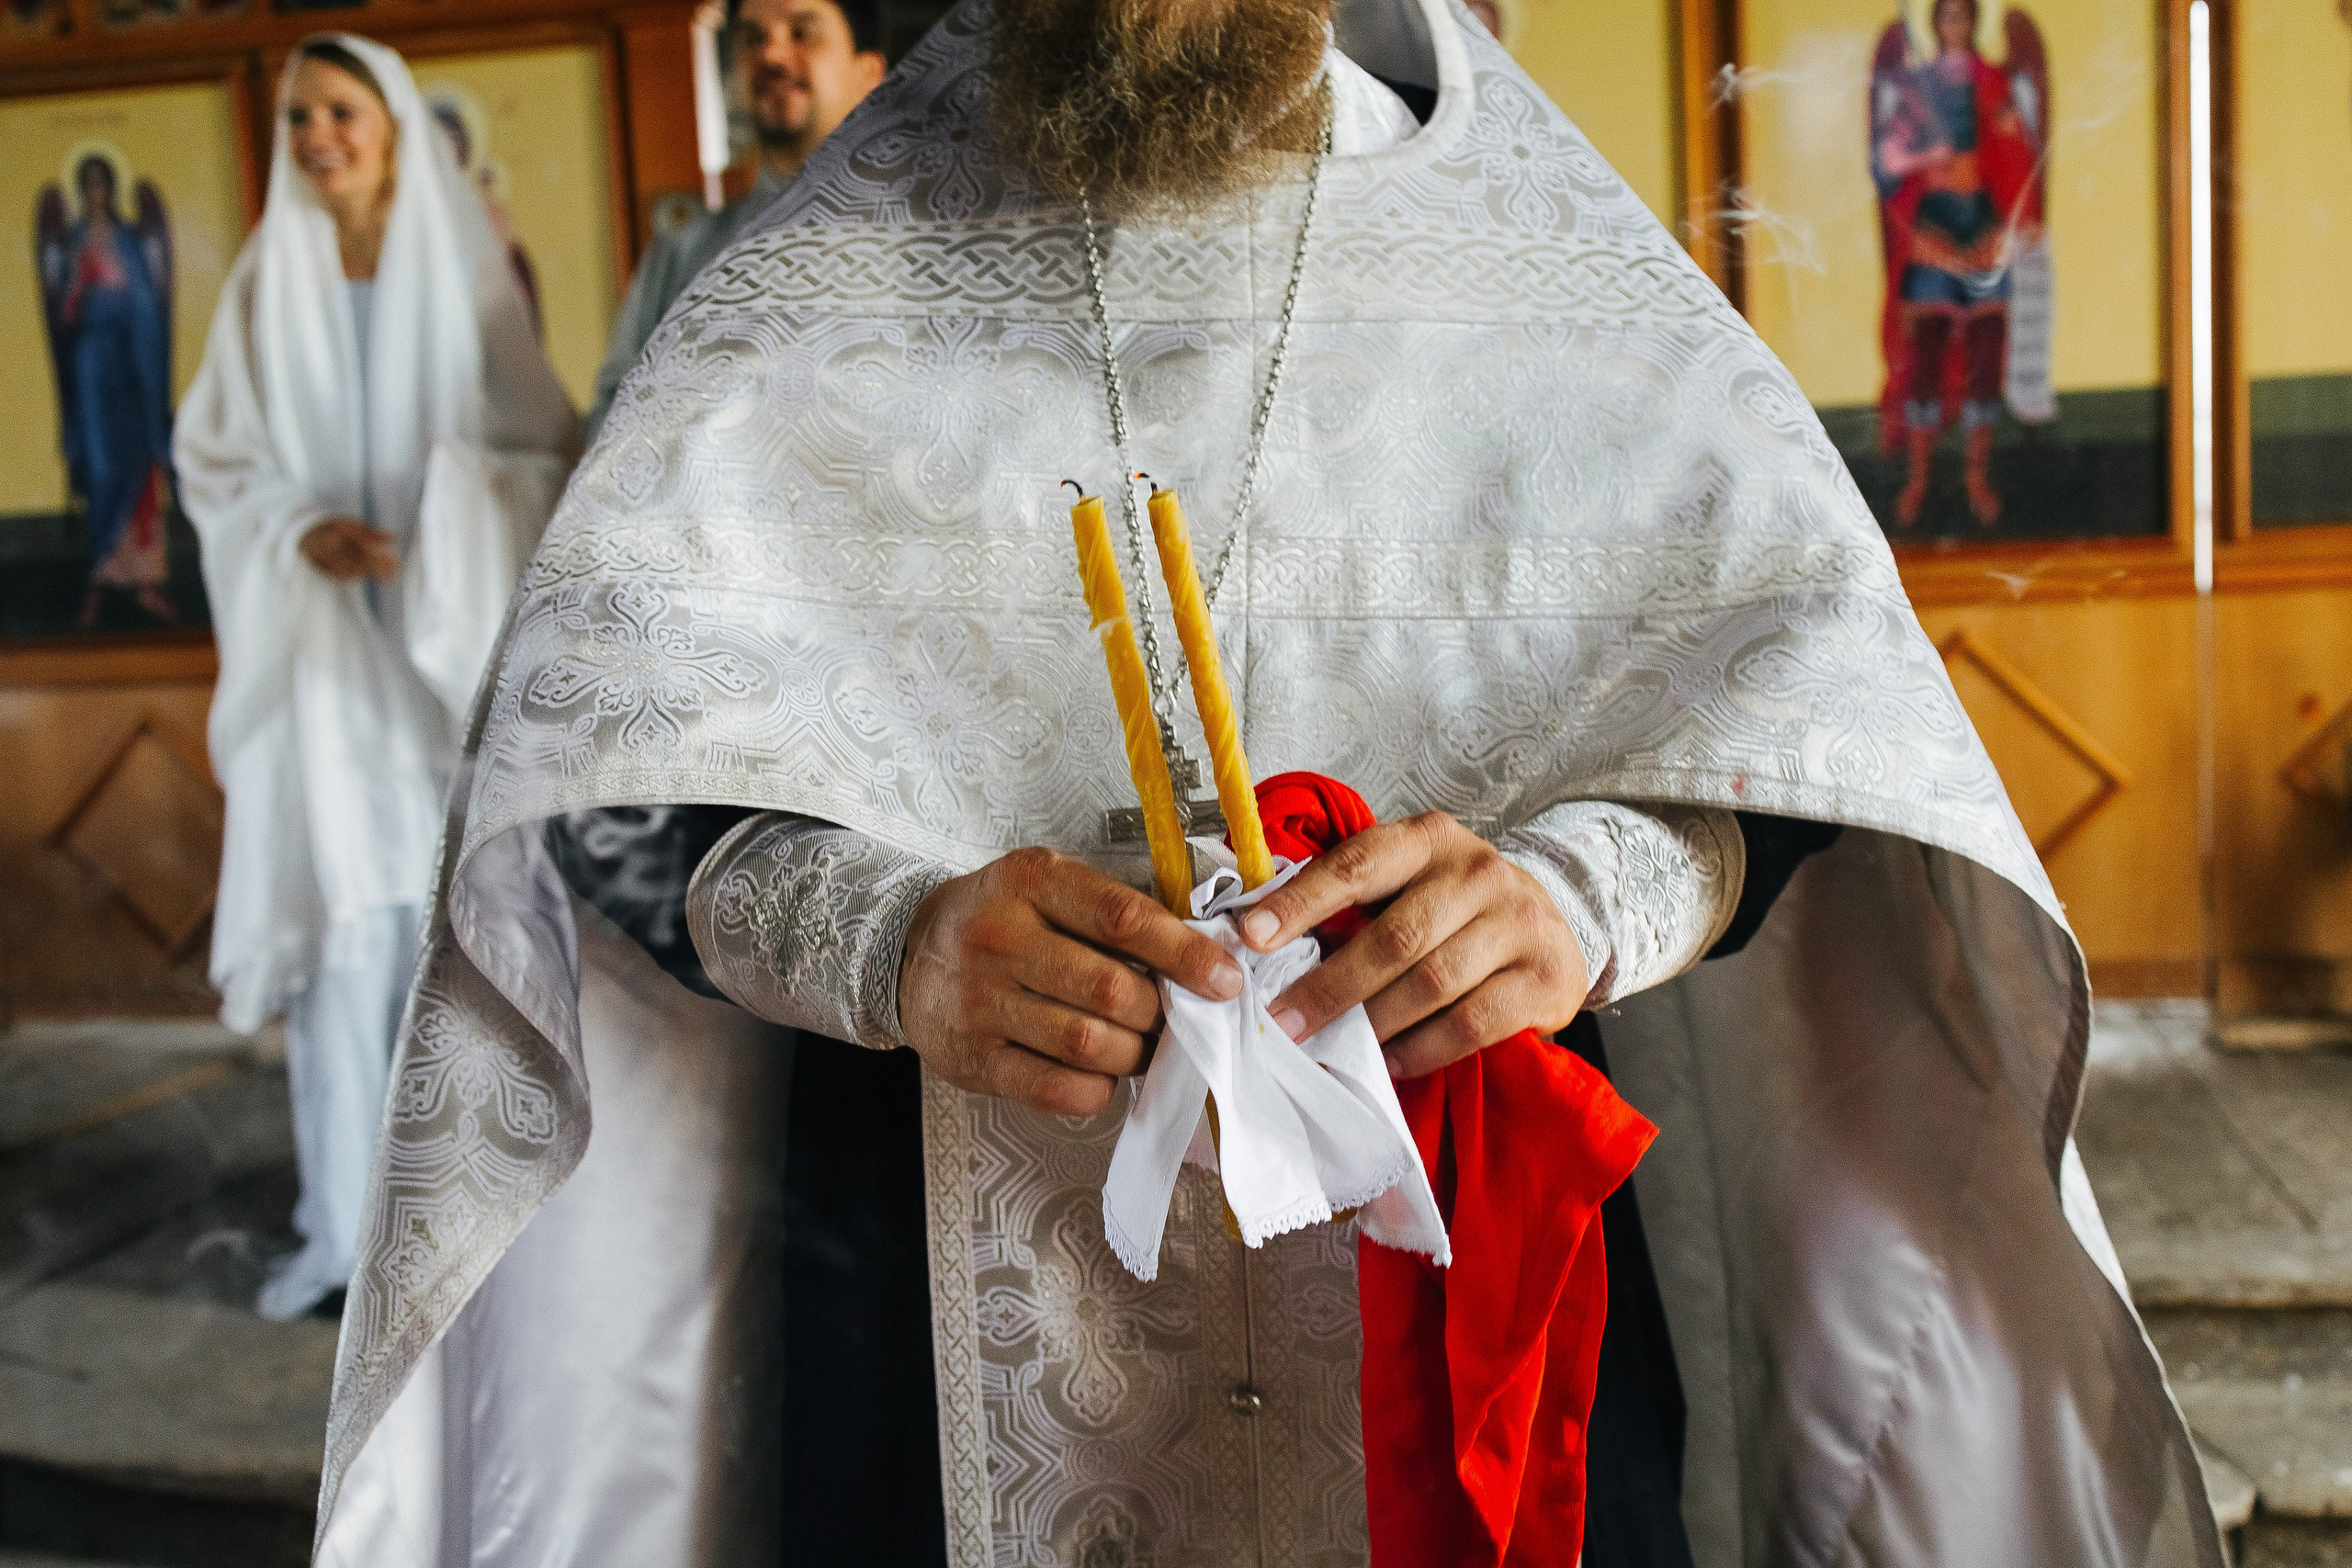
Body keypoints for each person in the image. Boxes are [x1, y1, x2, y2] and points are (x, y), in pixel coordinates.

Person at [314, 0, 2221, 1563]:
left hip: (1488, 1276)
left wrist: (1578, 897)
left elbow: (1816, 714)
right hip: (929, 1321)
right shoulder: (827, 272)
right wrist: (884, 937)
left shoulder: (1544, 267)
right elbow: (599, 788)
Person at [174, 34, 578, 1322]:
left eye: (340, 112)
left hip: (439, 663)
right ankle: (348, 1228)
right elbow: (216, 462)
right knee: (347, 941)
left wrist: (451, 510)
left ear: (396, 126)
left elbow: (541, 450)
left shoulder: (465, 276)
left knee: (450, 926)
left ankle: (470, 1220)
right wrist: (297, 529)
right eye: (298, 119)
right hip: (321, 660)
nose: (316, 138)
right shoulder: (263, 278)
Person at [582, 0, 886, 440]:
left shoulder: (935, 250)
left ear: (868, 75)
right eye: (752, 40)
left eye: (803, 33)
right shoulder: (679, 257)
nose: (772, 56)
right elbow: (611, 432)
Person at [1870, 0, 2048, 529]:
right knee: (1924, 353)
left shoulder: (1995, 81)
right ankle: (1919, 477)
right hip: (1933, 225)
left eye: (1964, 16)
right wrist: (1923, 155)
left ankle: (1977, 476)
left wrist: (2019, 220)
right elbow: (1886, 165)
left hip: (1985, 224)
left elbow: (2018, 152)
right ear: (1936, 25)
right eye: (1946, 17)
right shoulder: (1913, 87)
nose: (1956, 26)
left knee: (1988, 349)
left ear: (1973, 22)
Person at [36, 152, 176, 626]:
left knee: (140, 465)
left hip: (133, 361)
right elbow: (65, 311)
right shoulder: (72, 241)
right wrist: (80, 278)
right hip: (92, 365)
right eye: (89, 185)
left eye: (103, 185)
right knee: (100, 467)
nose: (97, 194)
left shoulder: (131, 240)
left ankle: (147, 583)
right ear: (81, 190)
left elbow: (149, 303)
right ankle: (96, 581)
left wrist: (118, 283)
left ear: (112, 189)